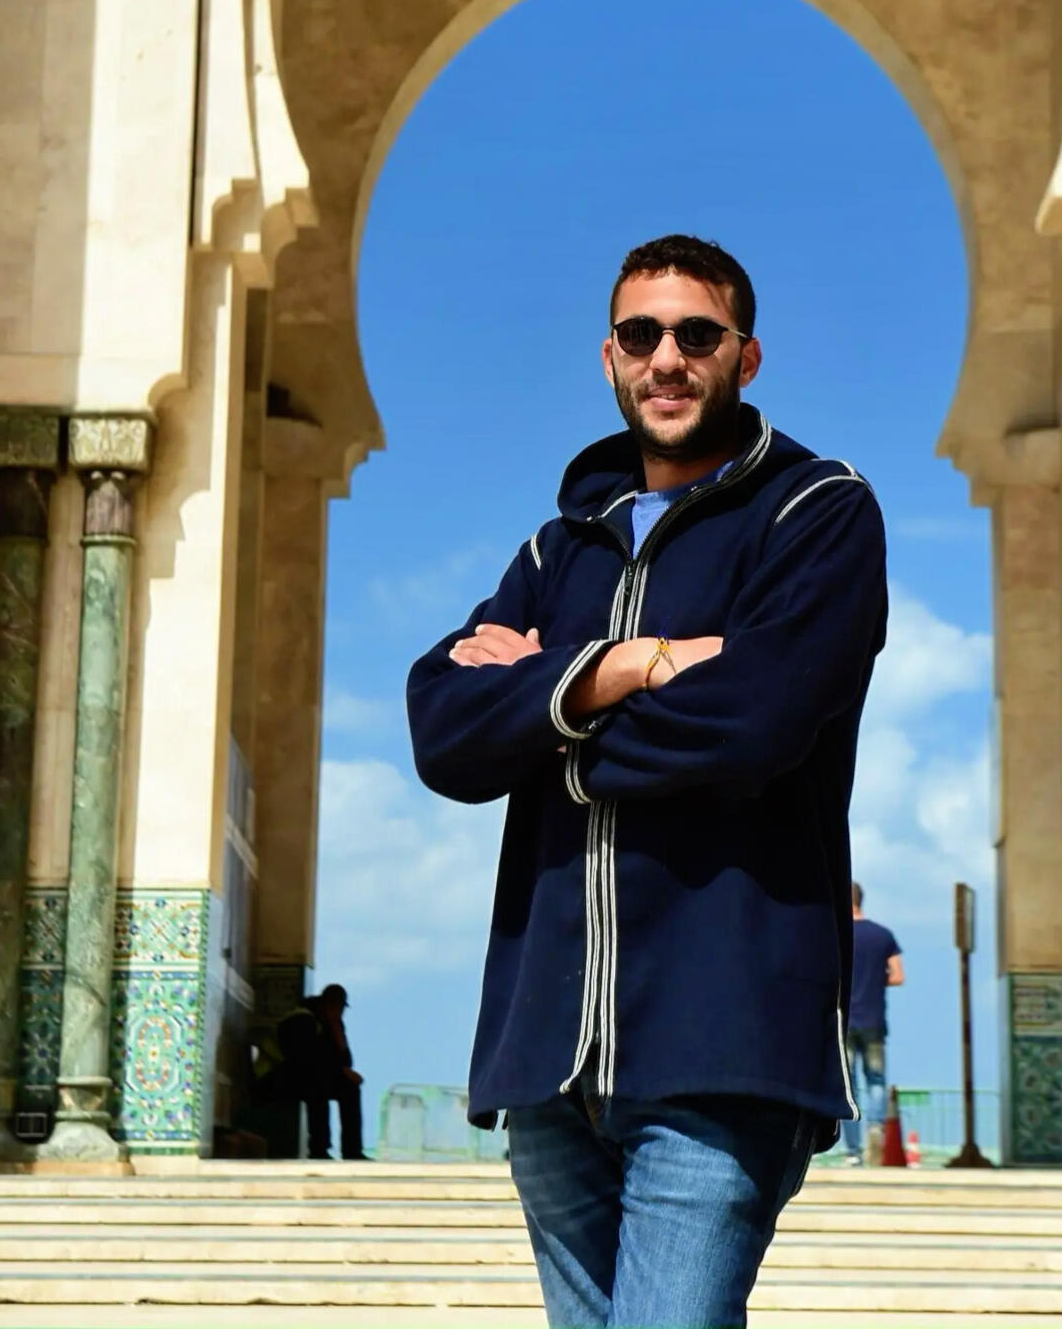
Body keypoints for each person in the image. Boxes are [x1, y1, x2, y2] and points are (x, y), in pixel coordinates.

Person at [408, 233, 887, 1329]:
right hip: (546, 1056)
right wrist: (629, 667)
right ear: (609, 357)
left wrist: (542, 711)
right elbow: (444, 728)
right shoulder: (556, 549)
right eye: (641, 335)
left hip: (720, 1045)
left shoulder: (815, 513)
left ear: (745, 356)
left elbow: (755, 721)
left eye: (696, 335)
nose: (667, 358)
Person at [840, 883, 904, 1166]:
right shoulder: (883, 935)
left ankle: (853, 1152)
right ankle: (876, 1129)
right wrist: (876, 981)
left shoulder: (838, 934)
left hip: (844, 1022)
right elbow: (898, 976)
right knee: (876, 1080)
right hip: (874, 1020)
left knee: (849, 1086)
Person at [279, 983, 366, 1162]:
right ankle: (319, 1148)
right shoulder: (302, 1018)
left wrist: (336, 1029)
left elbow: (346, 1061)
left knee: (349, 1088)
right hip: (285, 1075)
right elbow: (305, 1058)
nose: (340, 1012)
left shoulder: (332, 1023)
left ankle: (352, 1150)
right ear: (326, 1004)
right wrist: (340, 1070)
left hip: (319, 1074)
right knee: (316, 1086)